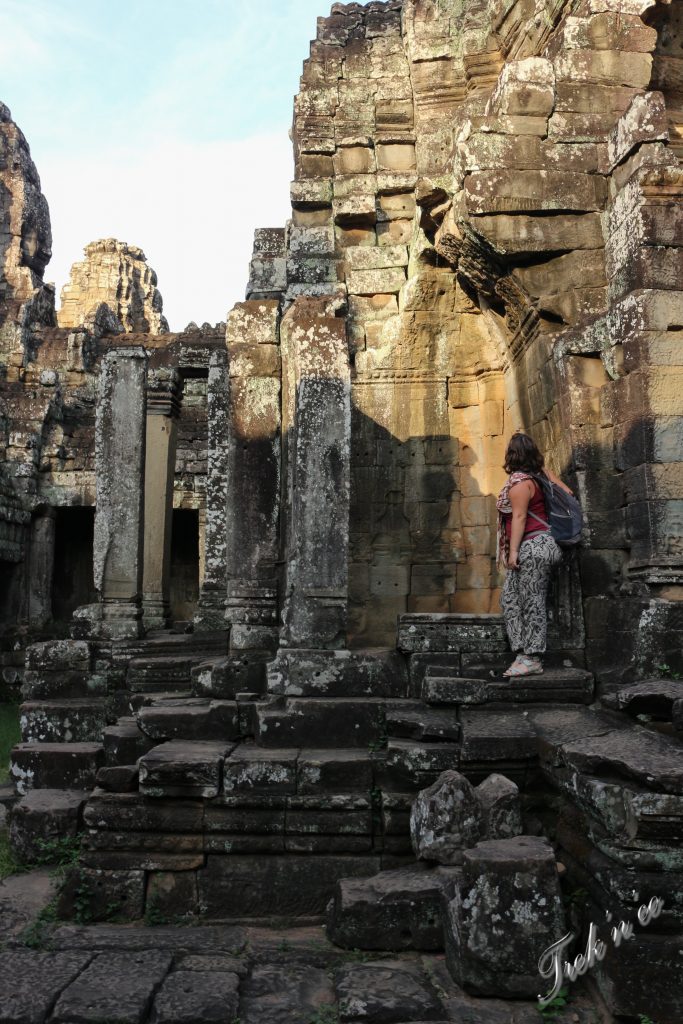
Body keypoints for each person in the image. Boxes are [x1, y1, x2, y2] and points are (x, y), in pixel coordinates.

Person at [496, 432, 573, 677]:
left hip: (533, 546)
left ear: (512, 455)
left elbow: (519, 517)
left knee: (531, 601)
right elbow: (568, 493)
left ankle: (533, 657)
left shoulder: (520, 483)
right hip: (542, 545)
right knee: (509, 598)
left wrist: (513, 552)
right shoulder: (540, 477)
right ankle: (522, 651)